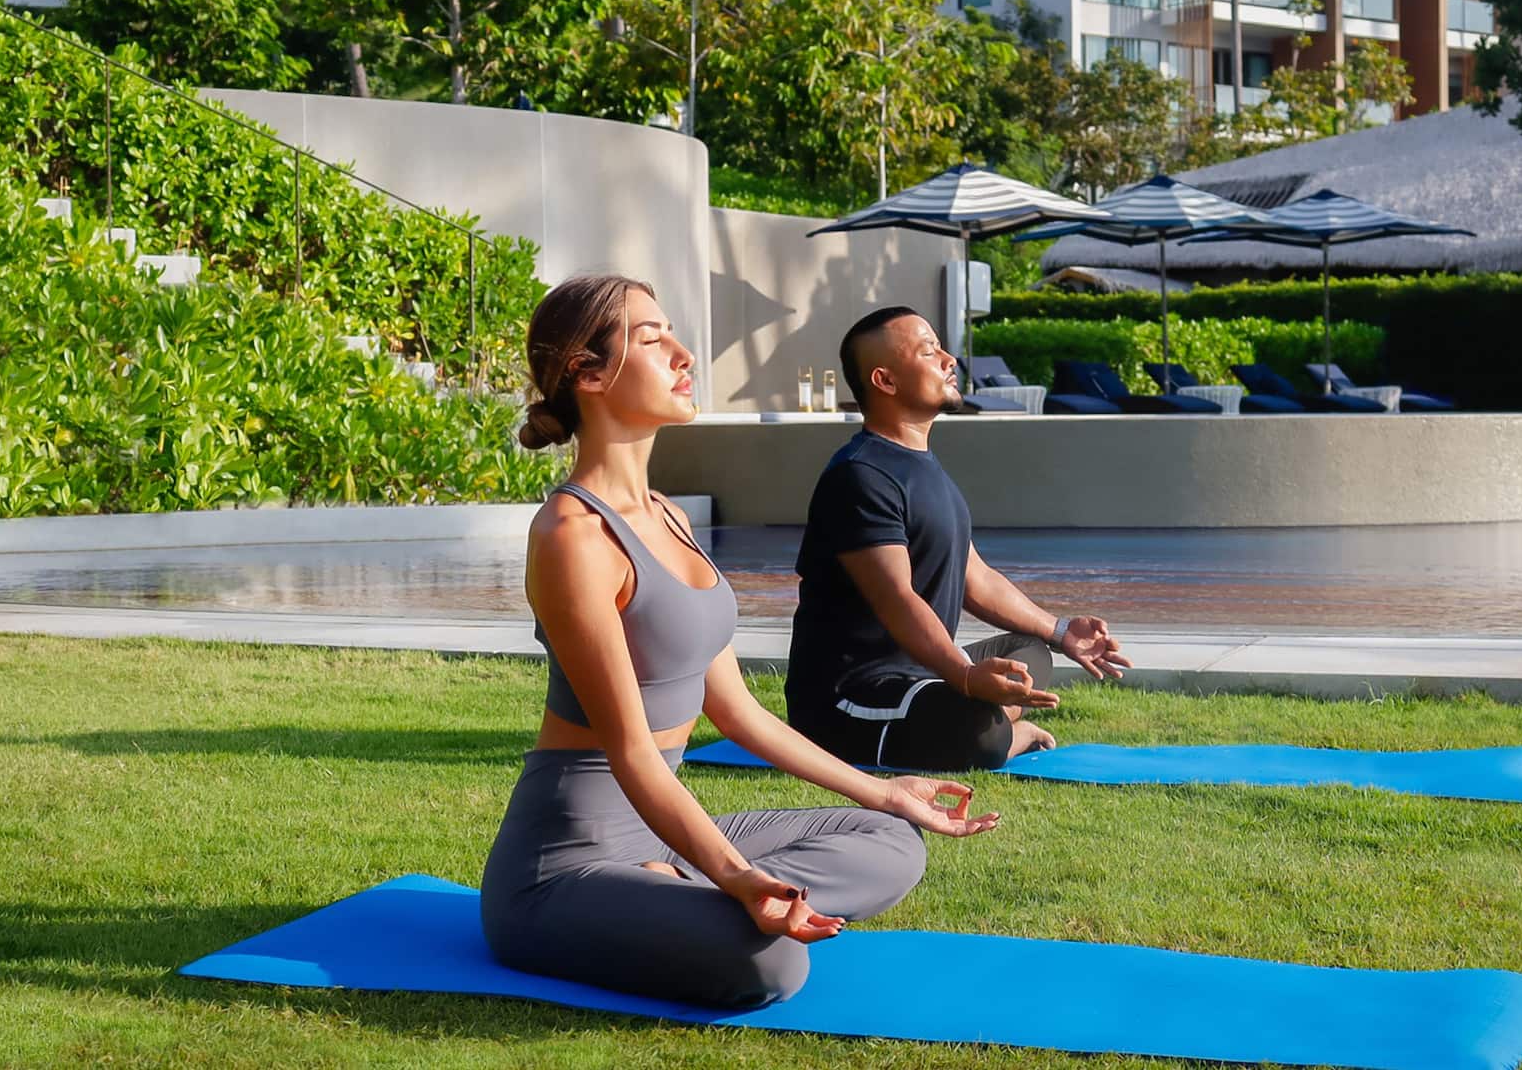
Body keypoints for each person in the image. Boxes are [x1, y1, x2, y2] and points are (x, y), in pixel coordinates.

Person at [479, 277, 1000, 1010]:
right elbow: (631, 753)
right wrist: (736, 875)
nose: (684, 354)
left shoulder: (669, 518)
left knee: (893, 840)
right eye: (654, 339)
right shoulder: (574, 536)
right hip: (567, 862)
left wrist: (887, 790)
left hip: (662, 837)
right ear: (588, 374)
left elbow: (740, 715)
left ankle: (684, 888)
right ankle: (707, 896)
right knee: (772, 968)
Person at [786, 306, 1134, 772]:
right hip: (850, 696)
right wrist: (966, 678)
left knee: (1028, 657)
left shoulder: (923, 466)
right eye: (930, 351)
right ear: (885, 381)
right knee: (981, 738)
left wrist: (1059, 630)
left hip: (919, 676)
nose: (950, 359)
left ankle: (981, 715)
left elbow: (975, 578)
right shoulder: (860, 476)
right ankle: (1001, 731)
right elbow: (897, 600)